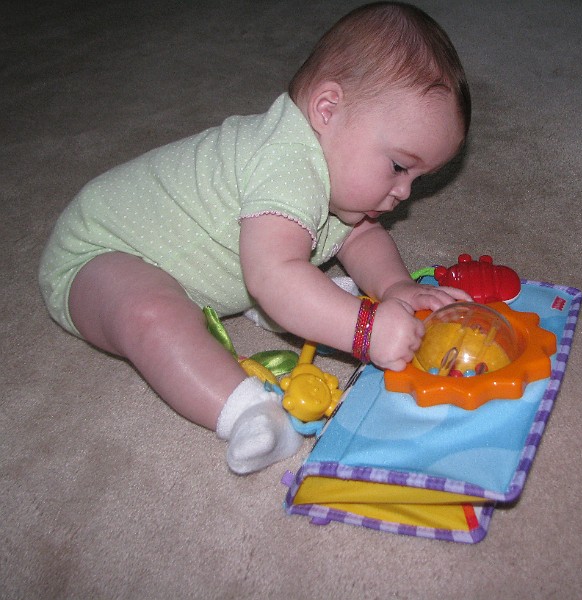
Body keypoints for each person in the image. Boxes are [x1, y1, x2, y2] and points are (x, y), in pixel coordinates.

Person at [38, 2, 472, 474]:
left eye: (418, 178)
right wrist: (368, 330)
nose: (404, 193)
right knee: (150, 314)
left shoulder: (334, 169)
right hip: (95, 256)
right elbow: (273, 276)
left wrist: (394, 286)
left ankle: (276, 297)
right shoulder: (285, 163)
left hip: (185, 263)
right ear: (327, 109)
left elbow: (361, 236)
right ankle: (248, 411)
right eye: (399, 166)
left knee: (293, 269)